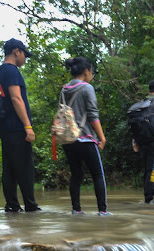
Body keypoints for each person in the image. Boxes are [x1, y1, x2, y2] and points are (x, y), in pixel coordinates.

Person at [60, 57, 109, 215]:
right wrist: (102, 138)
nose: (91, 76)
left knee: (76, 175)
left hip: (68, 139)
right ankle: (102, 211)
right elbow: (93, 116)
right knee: (97, 174)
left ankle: (76, 210)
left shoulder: (64, 89)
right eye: (91, 73)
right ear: (86, 71)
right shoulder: (87, 88)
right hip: (86, 138)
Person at [0, 38, 40, 213]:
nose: (25, 59)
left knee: (10, 168)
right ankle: (30, 206)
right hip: (16, 127)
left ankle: (12, 206)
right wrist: (28, 127)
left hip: (4, 127)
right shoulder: (11, 70)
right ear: (17, 51)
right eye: (24, 55)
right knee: (25, 167)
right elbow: (16, 98)